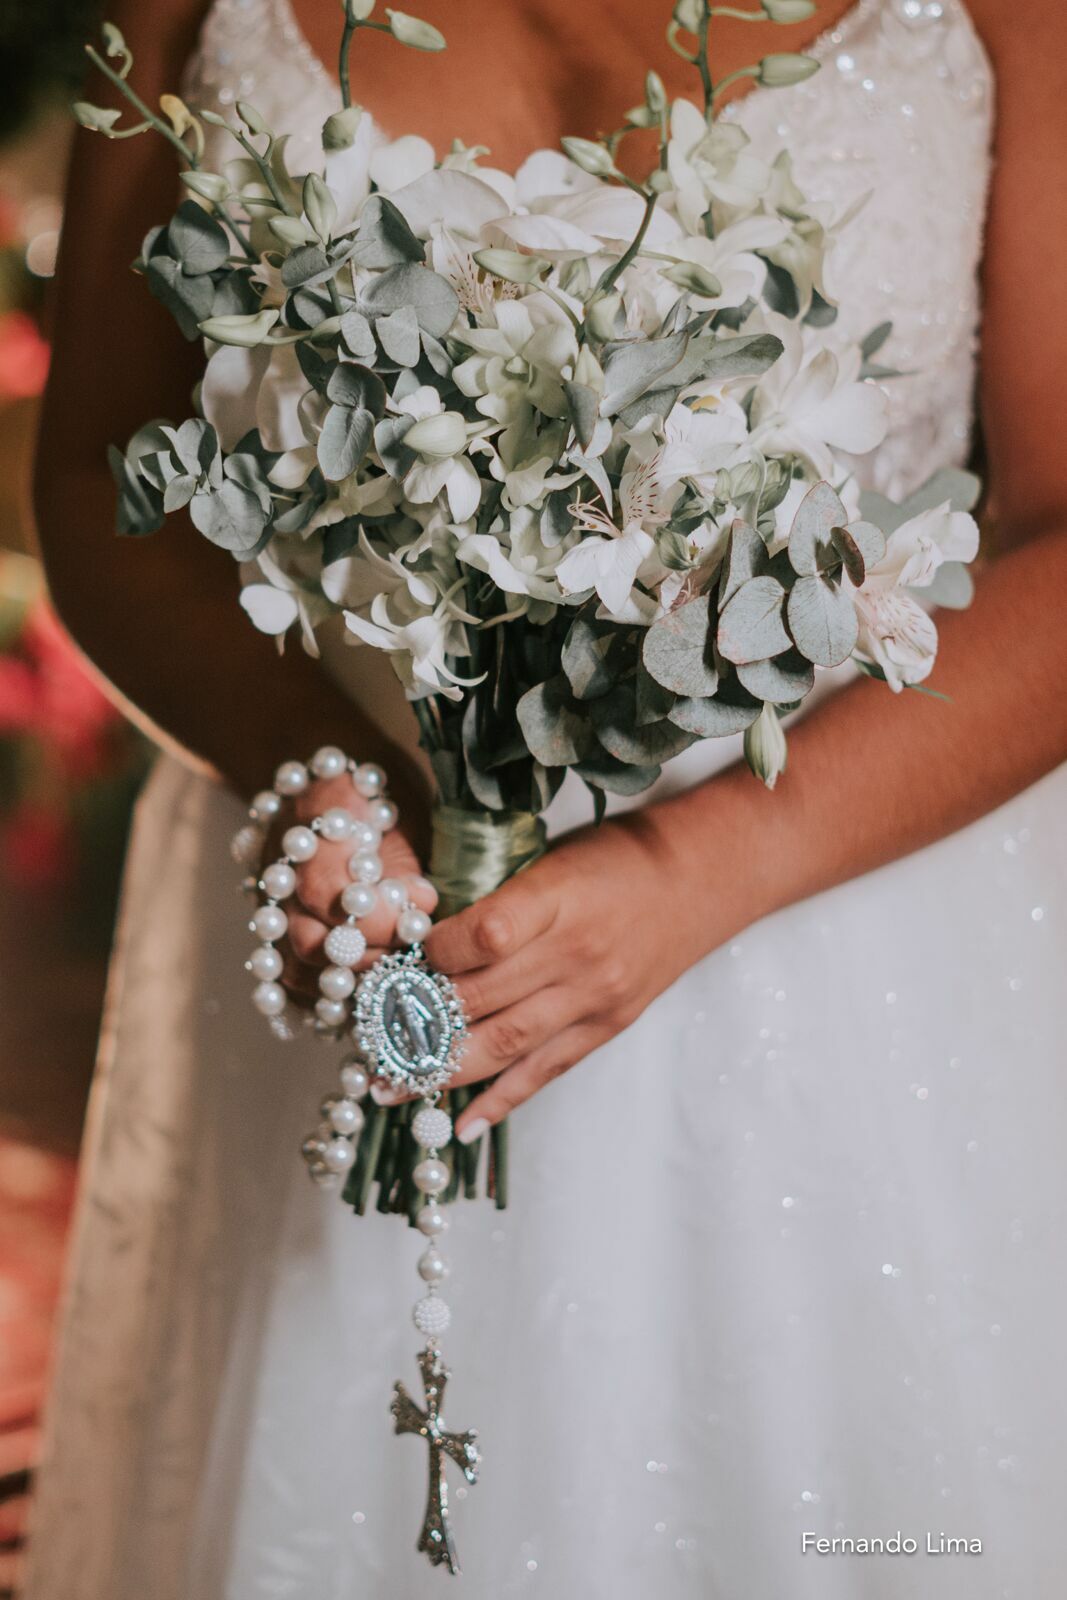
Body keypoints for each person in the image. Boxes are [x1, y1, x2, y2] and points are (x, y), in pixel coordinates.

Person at [23, 0, 1067, 1594]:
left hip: (856, 955)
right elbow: (110, 467)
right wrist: (329, 779)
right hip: (352, 934)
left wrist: (706, 865)